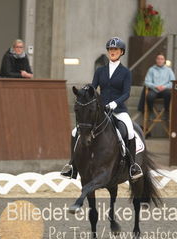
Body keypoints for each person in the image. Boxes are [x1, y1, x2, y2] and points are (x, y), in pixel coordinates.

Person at [61, 37, 143, 181]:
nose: (113, 52)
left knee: (129, 131)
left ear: (121, 52)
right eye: (111, 49)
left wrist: (115, 103)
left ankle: (132, 166)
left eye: (115, 49)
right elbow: (93, 87)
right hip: (101, 110)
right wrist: (86, 89)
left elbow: (126, 93)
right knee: (75, 131)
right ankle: (72, 165)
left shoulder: (125, 72)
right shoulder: (100, 71)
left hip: (119, 110)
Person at [139, 53, 175, 119]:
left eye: (161, 59)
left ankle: (166, 111)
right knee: (149, 96)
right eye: (158, 59)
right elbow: (146, 82)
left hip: (165, 90)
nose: (160, 60)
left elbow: (173, 82)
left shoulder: (169, 70)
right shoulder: (151, 69)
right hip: (154, 89)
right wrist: (155, 86)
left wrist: (164, 86)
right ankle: (151, 111)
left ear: (164, 61)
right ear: (156, 60)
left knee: (169, 94)